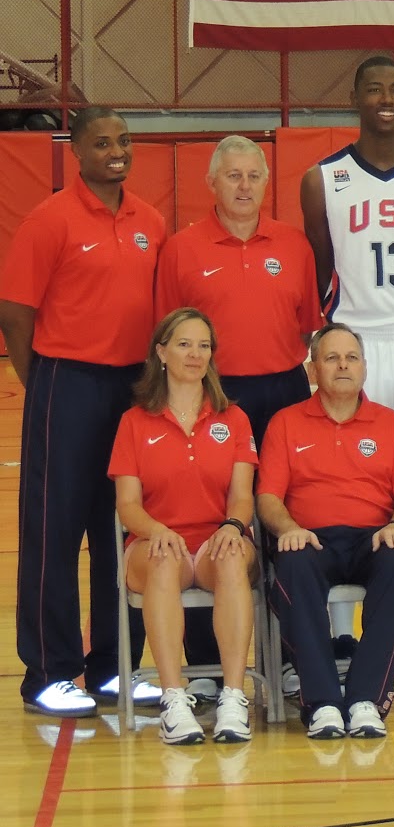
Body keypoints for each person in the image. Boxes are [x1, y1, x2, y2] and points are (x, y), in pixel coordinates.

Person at [0, 107, 166, 715]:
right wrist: (44, 381)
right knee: (55, 530)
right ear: (76, 151)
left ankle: (114, 667)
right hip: (66, 382)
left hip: (132, 387)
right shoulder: (50, 220)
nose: (116, 152)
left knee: (122, 527)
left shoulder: (150, 221)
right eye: (102, 143)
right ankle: (49, 671)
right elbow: (15, 312)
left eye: (124, 141)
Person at [300, 55, 394, 689]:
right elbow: (319, 269)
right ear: (355, 98)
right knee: (343, 479)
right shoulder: (323, 179)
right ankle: (341, 633)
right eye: (373, 89)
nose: (385, 99)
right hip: (355, 339)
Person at [154, 135, 320, 701]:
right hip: (215, 397)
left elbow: (305, 325)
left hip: (283, 391)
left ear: (267, 182)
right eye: (233, 176)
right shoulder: (182, 248)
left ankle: (294, 658)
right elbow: (168, 332)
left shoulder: (294, 245)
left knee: (288, 518)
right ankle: (205, 664)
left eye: (254, 176)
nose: (244, 186)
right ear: (211, 182)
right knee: (212, 518)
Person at [257, 324, 394, 739]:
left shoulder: (390, 423)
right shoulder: (285, 423)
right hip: (310, 538)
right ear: (313, 369)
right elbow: (268, 498)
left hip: (373, 537)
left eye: (351, 358)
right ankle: (323, 703)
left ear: (365, 367)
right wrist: (289, 528)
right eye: (331, 358)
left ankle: (366, 699)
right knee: (292, 562)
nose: (343, 366)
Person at [109, 309, 259, 743]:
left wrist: (232, 526)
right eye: (184, 344)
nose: (195, 354)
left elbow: (242, 495)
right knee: (162, 561)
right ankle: (173, 700)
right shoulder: (134, 422)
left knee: (232, 557)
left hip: (216, 540)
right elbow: (127, 505)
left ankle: (233, 698)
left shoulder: (234, 418)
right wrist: (157, 531)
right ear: (161, 352)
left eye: (204, 346)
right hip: (155, 542)